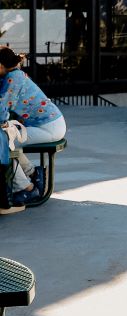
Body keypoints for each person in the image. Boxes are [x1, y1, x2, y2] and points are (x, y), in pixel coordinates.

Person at [0, 47, 66, 206]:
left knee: (4, 144)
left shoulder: (12, 79)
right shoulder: (14, 75)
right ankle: (33, 172)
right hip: (52, 123)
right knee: (6, 141)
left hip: (48, 127)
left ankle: (26, 189)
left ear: (1, 64)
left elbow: (2, 110)